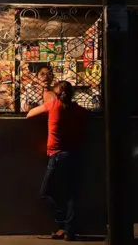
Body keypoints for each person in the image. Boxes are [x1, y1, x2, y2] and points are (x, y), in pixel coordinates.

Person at [27, 80, 88, 241]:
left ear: (57, 94)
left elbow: (29, 114)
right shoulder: (78, 110)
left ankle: (61, 224)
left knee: (46, 192)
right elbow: (87, 117)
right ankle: (69, 230)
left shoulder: (53, 105)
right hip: (74, 154)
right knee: (70, 194)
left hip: (57, 155)